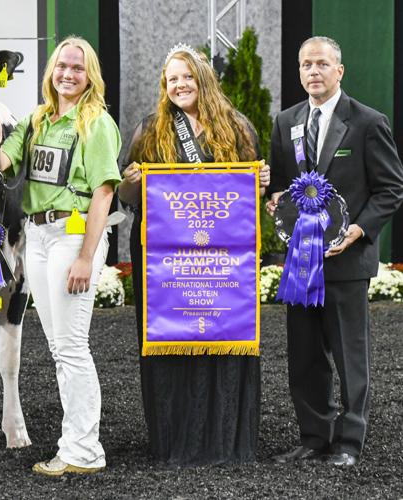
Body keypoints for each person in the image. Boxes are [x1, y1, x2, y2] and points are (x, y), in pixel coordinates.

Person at [116, 45, 270, 465]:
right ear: (164, 87)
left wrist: (259, 182)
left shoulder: (237, 128)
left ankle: (225, 440)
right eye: (172, 79)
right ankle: (173, 440)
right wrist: (132, 181)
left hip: (221, 260)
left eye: (187, 76)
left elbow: (250, 193)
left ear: (203, 79)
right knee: (172, 339)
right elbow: (124, 195)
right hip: (165, 263)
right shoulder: (150, 130)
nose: (179, 85)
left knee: (224, 337)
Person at [0, 36, 121, 476]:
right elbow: (0, 165)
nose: (68, 74)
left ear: (89, 75)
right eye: (62, 66)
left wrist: (86, 257)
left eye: (78, 68)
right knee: (60, 348)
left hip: (72, 235)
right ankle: (77, 443)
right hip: (37, 237)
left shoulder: (97, 122)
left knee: (73, 347)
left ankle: (83, 449)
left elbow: (103, 193)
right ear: (51, 72)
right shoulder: (38, 119)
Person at [266, 36, 403, 467]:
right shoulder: (285, 121)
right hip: (301, 264)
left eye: (322, 64)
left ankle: (349, 442)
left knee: (350, 356)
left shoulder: (367, 122)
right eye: (306, 65)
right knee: (304, 356)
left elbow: (390, 189)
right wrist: (273, 199)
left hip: (347, 262)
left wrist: (359, 230)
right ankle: (313, 437)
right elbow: (282, 188)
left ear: (339, 71)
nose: (313, 72)